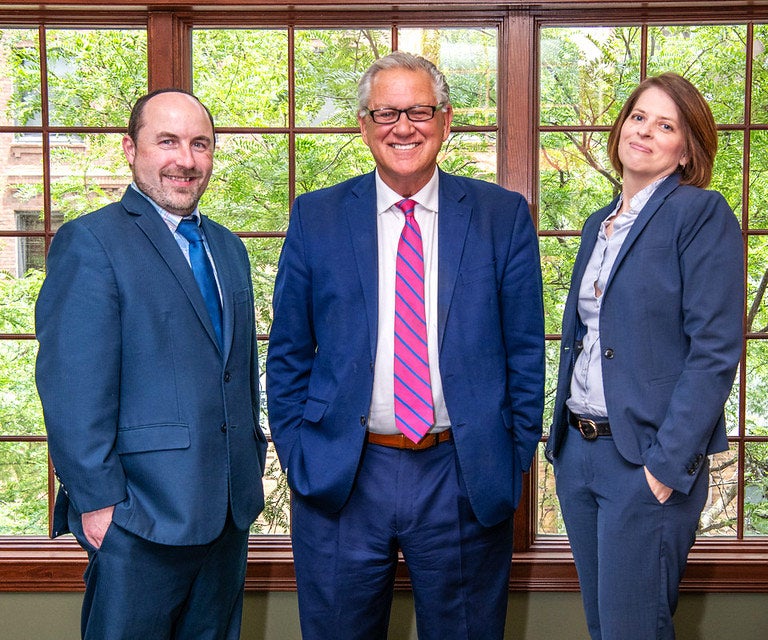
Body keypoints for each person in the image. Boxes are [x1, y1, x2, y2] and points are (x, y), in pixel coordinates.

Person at [266, 51, 544, 640]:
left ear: (445, 120)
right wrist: (300, 454)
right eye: (386, 112)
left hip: (462, 472)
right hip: (344, 472)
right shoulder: (316, 217)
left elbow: (525, 352)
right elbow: (288, 353)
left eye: (419, 110)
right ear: (363, 125)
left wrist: (509, 456)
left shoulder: (501, 216)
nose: (403, 127)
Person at [35, 88, 267, 640]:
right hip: (138, 517)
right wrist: (98, 503)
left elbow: (235, 373)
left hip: (227, 513)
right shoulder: (90, 242)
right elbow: (72, 389)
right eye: (167, 141)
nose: (185, 160)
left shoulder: (228, 248)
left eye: (199, 144)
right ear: (129, 149)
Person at [546, 73, 744, 640]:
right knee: (603, 627)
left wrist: (665, 466)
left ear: (686, 150)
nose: (647, 132)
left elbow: (714, 351)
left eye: (666, 126)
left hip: (643, 460)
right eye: (639, 117)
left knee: (634, 631)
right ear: (621, 127)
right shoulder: (599, 225)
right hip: (579, 455)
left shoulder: (699, 214)